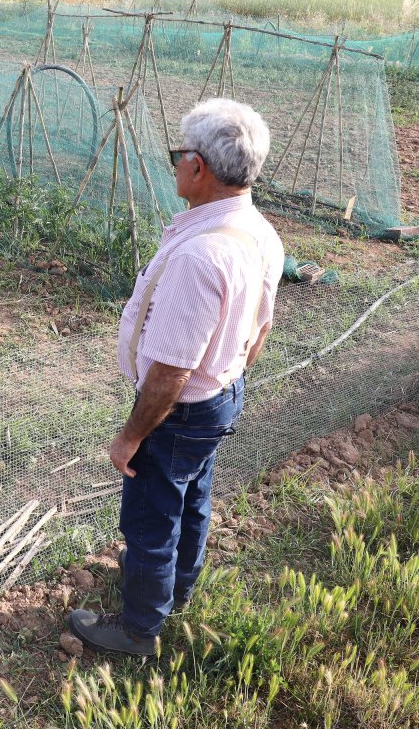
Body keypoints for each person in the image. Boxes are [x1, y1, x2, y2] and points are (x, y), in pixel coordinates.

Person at [67, 98, 284, 657]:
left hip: (179, 409)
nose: (174, 164)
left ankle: (139, 628)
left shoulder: (201, 256)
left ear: (200, 167)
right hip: (219, 397)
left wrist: (131, 437)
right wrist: (228, 382)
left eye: (178, 154)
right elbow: (259, 329)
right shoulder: (259, 233)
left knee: (150, 518)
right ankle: (175, 588)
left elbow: (168, 375)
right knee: (192, 497)